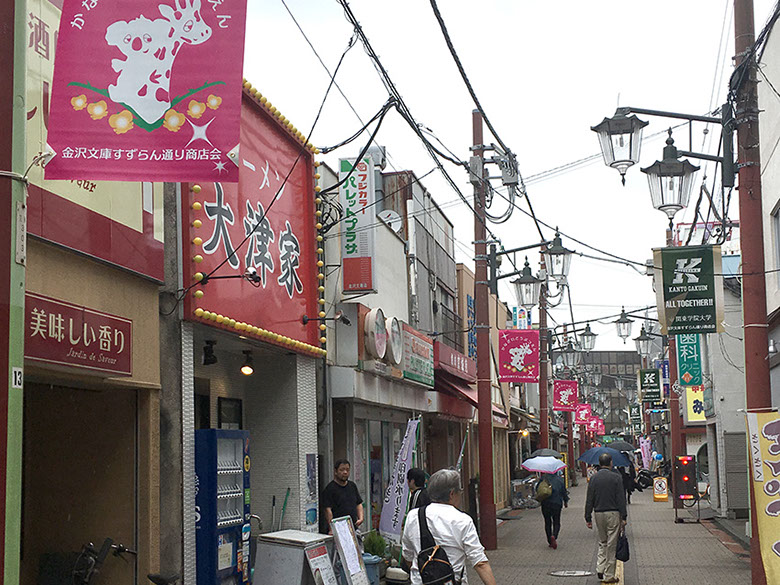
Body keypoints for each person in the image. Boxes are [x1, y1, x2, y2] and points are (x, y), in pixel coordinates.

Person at [401, 469, 497, 585]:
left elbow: (408, 556)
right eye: (459, 491)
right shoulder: (463, 521)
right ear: (452, 494)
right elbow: (480, 563)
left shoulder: (413, 516)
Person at [585, 453, 627, 584]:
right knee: (611, 544)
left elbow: (589, 499)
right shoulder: (616, 478)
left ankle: (600, 567)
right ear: (611, 463)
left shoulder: (593, 479)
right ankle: (608, 574)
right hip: (613, 513)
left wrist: (588, 517)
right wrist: (624, 516)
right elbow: (621, 499)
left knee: (602, 541)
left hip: (598, 513)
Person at [321, 459, 364, 532]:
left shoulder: (352, 486)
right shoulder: (330, 489)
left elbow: (358, 503)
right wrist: (331, 529)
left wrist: (361, 518)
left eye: (347, 470)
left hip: (353, 527)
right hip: (339, 529)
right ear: (335, 471)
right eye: (342, 470)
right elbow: (327, 510)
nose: (345, 472)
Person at [538, 471, 569, 549]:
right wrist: (566, 501)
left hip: (546, 503)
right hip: (557, 503)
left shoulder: (543, 478)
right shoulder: (560, 480)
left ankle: (549, 540)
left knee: (547, 522)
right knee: (556, 522)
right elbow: (564, 492)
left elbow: (538, 489)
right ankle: (554, 536)